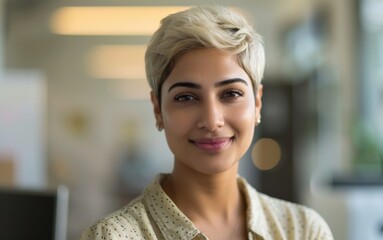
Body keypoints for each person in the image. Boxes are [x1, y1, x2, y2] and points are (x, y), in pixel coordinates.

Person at [80, 6, 333, 240]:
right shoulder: (113, 236)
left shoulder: (304, 230)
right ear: (157, 109)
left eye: (231, 94)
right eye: (186, 97)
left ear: (257, 104)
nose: (212, 121)